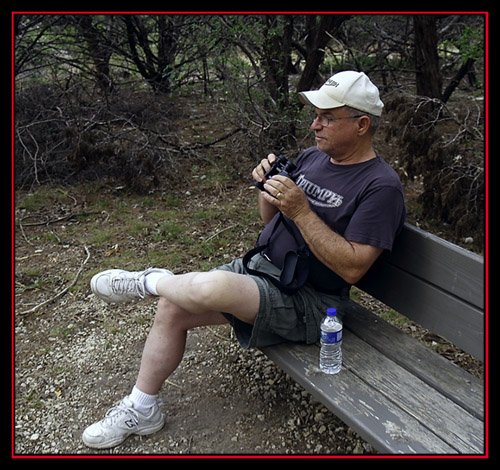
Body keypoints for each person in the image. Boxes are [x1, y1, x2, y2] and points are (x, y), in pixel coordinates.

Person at [82, 70, 406, 449]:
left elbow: (353, 266)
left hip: (312, 302)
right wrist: (268, 192)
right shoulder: (313, 159)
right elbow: (271, 220)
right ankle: (143, 407)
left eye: (327, 117)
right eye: (315, 115)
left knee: (206, 286)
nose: (315, 125)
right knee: (173, 305)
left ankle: (147, 282)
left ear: (362, 124)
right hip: (266, 270)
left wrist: (301, 210)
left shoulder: (380, 186)